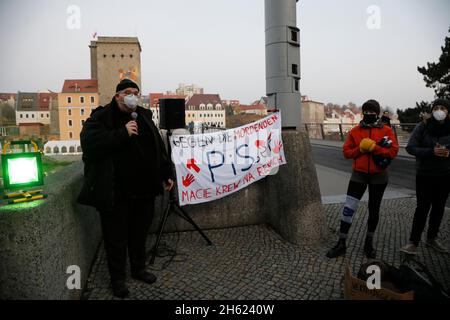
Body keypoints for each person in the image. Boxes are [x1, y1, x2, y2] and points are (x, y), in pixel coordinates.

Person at [77, 78, 175, 298]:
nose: (133, 96)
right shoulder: (101, 117)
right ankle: (117, 279)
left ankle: (139, 269)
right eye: (129, 92)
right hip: (115, 192)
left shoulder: (144, 115)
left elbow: (157, 149)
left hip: (144, 190)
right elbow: (90, 145)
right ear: (118, 95)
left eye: (137, 92)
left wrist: (166, 173)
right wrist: (122, 133)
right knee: (116, 238)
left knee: (139, 234)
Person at [326, 99, 399, 259]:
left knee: (374, 209)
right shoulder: (355, 131)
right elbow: (346, 153)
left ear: (377, 113)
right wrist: (360, 149)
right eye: (365, 111)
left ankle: (369, 242)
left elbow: (393, 152)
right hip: (358, 174)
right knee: (348, 208)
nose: (368, 114)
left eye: (372, 111)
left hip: (379, 175)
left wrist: (375, 148)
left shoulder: (386, 130)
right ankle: (341, 242)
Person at [400, 98, 450, 255]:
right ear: (432, 110)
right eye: (436, 108)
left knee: (439, 208)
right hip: (425, 175)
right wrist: (430, 152)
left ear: (448, 112)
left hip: (445, 175)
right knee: (422, 208)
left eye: (443, 108)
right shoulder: (423, 126)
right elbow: (410, 147)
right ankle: (413, 242)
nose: (439, 111)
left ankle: (432, 238)